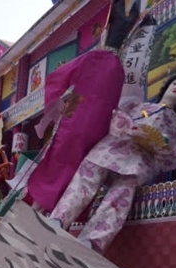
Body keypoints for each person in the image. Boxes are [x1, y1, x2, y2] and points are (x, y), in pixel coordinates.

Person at [49, 74, 176, 252]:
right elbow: (116, 118)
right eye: (175, 82)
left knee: (120, 198)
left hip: (138, 161)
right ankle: (59, 219)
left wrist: (160, 145)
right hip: (113, 148)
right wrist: (128, 126)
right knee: (85, 179)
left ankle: (94, 241)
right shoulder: (139, 105)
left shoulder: (175, 124)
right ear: (166, 86)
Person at [24, 0, 141, 213]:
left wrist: (58, 105)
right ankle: (52, 218)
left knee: (55, 169)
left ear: (105, 33)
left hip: (74, 121)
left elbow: (56, 78)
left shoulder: (95, 56)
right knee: (75, 177)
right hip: (96, 133)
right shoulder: (120, 71)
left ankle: (33, 213)